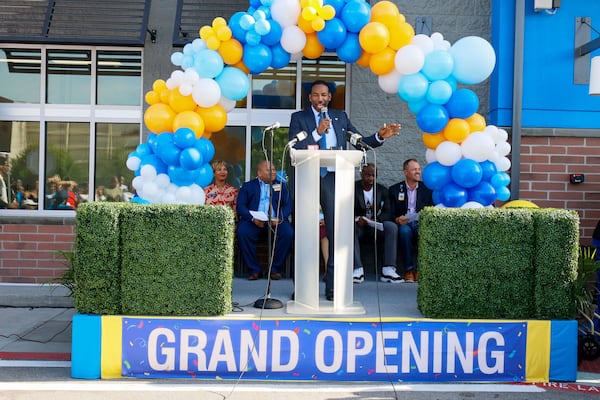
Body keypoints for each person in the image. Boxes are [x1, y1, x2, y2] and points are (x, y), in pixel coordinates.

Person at [289, 79, 401, 301]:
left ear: (330, 97)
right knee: (305, 234)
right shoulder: (299, 118)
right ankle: (302, 286)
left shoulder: (340, 118)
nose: (320, 98)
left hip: (333, 178)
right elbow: (294, 146)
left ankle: (332, 287)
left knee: (334, 234)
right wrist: (318, 133)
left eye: (324, 95)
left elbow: (357, 141)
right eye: (315, 95)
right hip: (308, 178)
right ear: (309, 98)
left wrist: (379, 137)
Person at [236, 160, 294, 281]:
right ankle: (254, 270)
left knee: (288, 233)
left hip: (275, 220)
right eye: (269, 170)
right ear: (260, 173)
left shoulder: (281, 186)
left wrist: (279, 218)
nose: (273, 172)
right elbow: (240, 206)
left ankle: (275, 269)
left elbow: (288, 205)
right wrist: (252, 218)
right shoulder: (248, 186)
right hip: (254, 221)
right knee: (243, 232)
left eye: (274, 169)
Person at [352, 163, 401, 284]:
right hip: (359, 226)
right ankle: (357, 269)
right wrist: (357, 219)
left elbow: (388, 212)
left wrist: (376, 220)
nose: (370, 179)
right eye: (368, 175)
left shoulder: (382, 190)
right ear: (361, 174)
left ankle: (388, 270)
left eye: (373, 176)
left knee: (391, 227)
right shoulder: (352, 188)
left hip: (375, 225)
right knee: (350, 228)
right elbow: (345, 209)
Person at [388, 159, 434, 282]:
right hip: (404, 223)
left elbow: (431, 209)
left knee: (424, 232)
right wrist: (397, 219)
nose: (418, 172)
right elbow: (389, 212)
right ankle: (409, 270)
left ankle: (421, 270)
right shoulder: (395, 189)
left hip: (421, 222)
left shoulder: (427, 189)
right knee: (404, 232)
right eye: (414, 169)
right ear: (406, 172)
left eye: (419, 169)